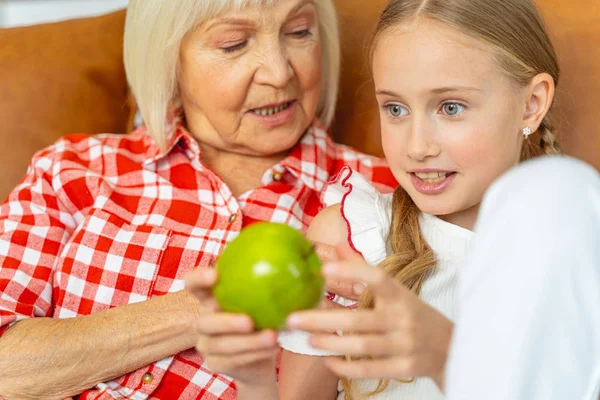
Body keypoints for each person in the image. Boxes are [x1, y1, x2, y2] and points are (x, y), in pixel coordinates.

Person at [183, 0, 594, 399]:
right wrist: (254, 381)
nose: (416, 147)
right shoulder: (351, 242)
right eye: (395, 109)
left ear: (532, 104)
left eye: (451, 107)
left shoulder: (573, 253)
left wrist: (445, 354)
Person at [0, 1, 397, 398]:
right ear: (168, 60)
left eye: (299, 32)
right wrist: (211, 306)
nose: (279, 73)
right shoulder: (72, 170)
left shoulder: (387, 196)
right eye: (233, 44)